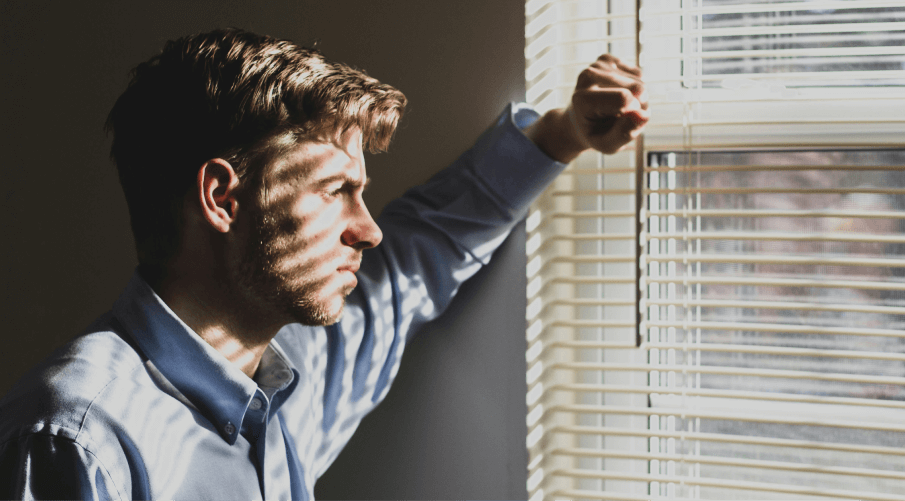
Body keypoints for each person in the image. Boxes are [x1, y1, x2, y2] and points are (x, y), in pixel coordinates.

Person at [0, 28, 648, 499]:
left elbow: (420, 254)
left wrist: (563, 134)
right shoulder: (76, 437)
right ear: (223, 197)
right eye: (337, 191)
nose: (367, 229)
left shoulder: (295, 377)